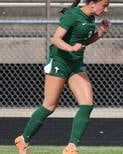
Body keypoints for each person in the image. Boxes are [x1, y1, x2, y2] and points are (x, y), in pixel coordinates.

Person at [14, 0, 110, 154]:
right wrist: (71, 48)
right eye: (104, 5)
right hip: (59, 62)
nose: (107, 9)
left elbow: (84, 41)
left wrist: (100, 33)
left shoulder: (91, 18)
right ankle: (23, 139)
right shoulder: (72, 15)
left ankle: (71, 148)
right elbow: (56, 39)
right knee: (49, 106)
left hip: (76, 65)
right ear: (92, 3)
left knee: (87, 104)